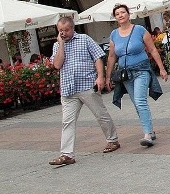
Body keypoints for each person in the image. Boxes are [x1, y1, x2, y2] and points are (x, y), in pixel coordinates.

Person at [48, 16, 119, 166]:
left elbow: (98, 57)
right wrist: (61, 45)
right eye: (61, 30)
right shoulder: (57, 46)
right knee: (67, 122)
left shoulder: (84, 39)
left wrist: (100, 76)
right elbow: (57, 64)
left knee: (100, 114)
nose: (64, 33)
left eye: (66, 30)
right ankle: (67, 154)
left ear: (73, 28)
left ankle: (112, 140)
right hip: (68, 89)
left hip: (87, 85)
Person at [106, 4, 168, 147]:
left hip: (141, 70)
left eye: (123, 12)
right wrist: (108, 77)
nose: (120, 15)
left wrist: (161, 69)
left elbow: (152, 49)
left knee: (140, 101)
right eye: (117, 14)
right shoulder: (114, 35)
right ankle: (150, 130)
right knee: (137, 103)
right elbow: (111, 57)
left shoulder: (140, 30)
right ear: (115, 18)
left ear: (128, 14)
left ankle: (147, 135)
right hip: (126, 74)